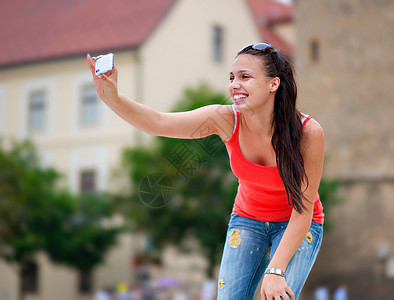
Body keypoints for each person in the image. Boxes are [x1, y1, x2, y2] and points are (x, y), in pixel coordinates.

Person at [87, 42, 325, 300]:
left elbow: (303, 209)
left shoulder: (308, 134)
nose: (235, 85)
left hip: (298, 222)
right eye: (232, 77)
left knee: (277, 294)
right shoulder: (226, 120)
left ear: (273, 84)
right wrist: (112, 98)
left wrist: (275, 270)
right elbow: (158, 122)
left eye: (245, 77)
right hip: (248, 220)